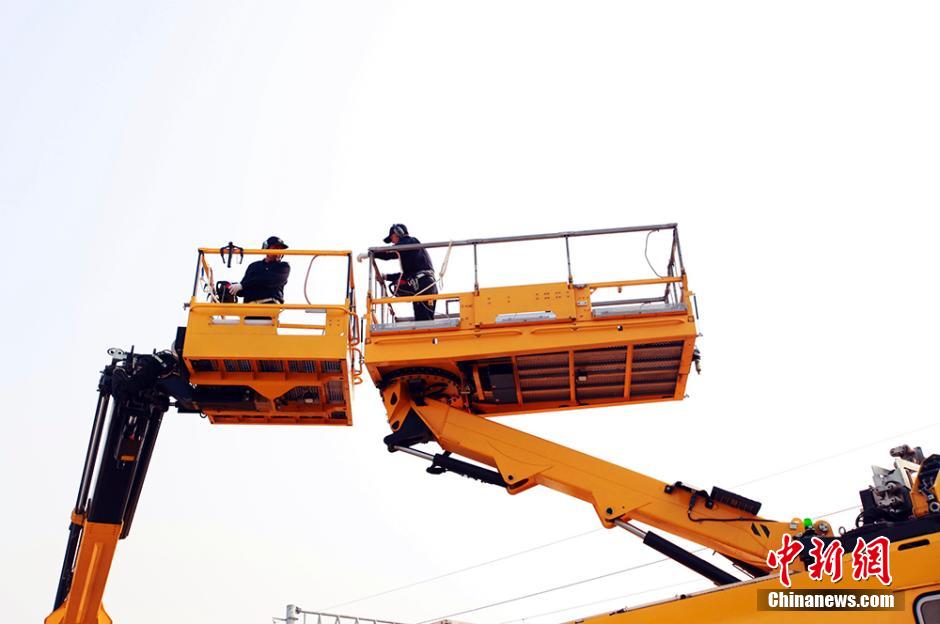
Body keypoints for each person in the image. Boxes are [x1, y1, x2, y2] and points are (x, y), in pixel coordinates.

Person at [374, 224, 438, 321]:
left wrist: (372, 253)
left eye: (392, 238)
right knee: (425, 321)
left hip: (422, 285)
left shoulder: (410, 242)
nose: (393, 242)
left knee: (423, 324)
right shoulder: (413, 253)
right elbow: (407, 275)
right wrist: (386, 276)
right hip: (425, 285)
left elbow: (391, 253)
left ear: (398, 233)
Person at [228, 236, 291, 303]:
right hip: (249, 306)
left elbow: (268, 280)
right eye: (275, 248)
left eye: (281, 249)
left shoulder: (283, 266)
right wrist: (231, 288)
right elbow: (244, 290)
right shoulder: (253, 266)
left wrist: (243, 285)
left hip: (270, 304)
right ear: (266, 249)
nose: (278, 252)